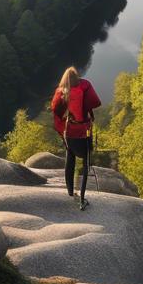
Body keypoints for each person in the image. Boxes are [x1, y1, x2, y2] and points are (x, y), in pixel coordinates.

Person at [51, 66, 101, 210]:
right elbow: (96, 102)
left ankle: (70, 192)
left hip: (69, 131)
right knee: (86, 163)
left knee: (70, 160)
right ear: (77, 76)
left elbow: (56, 111)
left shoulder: (62, 91)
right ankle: (83, 198)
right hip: (83, 132)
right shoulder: (84, 86)